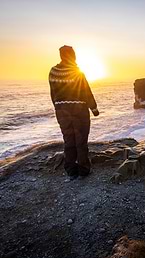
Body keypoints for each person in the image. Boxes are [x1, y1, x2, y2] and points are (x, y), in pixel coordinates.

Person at [49, 45, 99, 180]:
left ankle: (71, 171)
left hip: (61, 110)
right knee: (81, 139)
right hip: (79, 109)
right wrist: (94, 109)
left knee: (68, 140)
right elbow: (86, 91)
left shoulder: (53, 71)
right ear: (72, 55)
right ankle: (83, 170)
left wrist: (58, 107)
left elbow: (53, 93)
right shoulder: (77, 72)